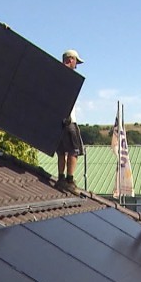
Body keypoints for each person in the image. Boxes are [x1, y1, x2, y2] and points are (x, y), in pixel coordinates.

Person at [56, 49, 85, 192]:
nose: (76, 66)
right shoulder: (68, 77)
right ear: (70, 60)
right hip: (69, 121)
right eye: (76, 62)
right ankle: (69, 180)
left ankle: (60, 179)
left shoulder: (56, 75)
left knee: (61, 151)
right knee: (74, 151)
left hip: (58, 121)